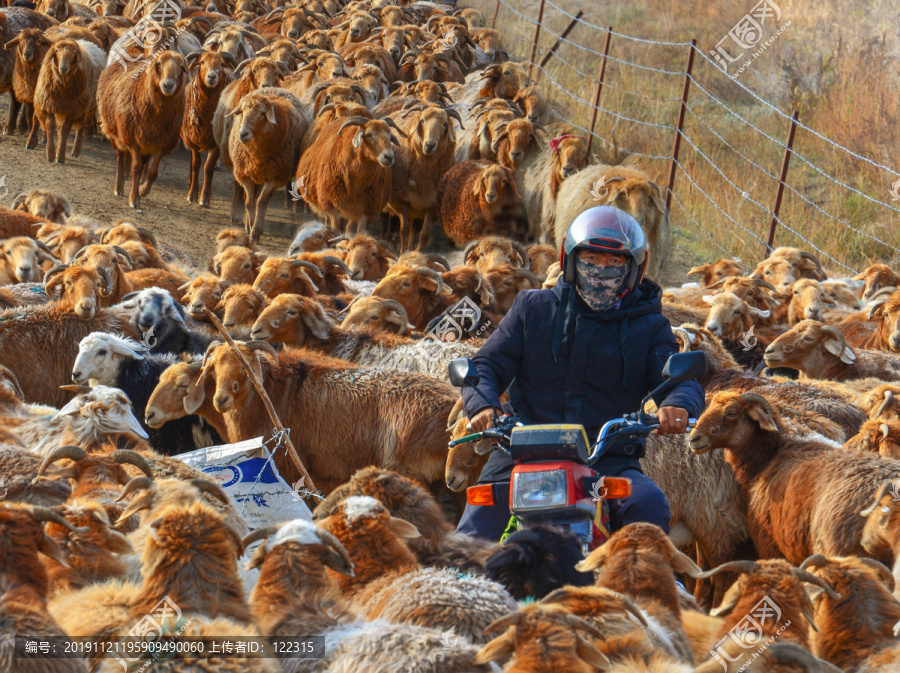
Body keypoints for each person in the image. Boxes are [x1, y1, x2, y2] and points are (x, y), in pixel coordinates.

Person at [457, 206, 705, 540]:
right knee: (474, 528)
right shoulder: (533, 309)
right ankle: (459, 588)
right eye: (591, 259)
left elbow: (678, 379)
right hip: (522, 453)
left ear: (634, 268)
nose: (601, 271)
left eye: (614, 263)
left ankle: (650, 589)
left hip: (604, 464)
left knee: (647, 505)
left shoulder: (649, 326)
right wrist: (484, 405)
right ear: (571, 260)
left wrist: (678, 403)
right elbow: (486, 365)